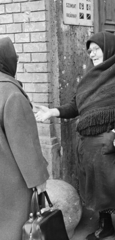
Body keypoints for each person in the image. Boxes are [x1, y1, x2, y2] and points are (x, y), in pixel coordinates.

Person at [35, 31, 115, 240]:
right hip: (90, 149)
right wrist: (53, 112)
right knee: (97, 187)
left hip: (114, 145)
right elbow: (76, 105)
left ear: (108, 49)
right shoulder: (90, 78)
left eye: (96, 49)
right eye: (90, 51)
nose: (92, 54)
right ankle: (105, 225)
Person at [0, 37, 49, 240]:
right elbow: (25, 144)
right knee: (18, 227)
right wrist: (39, 180)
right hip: (13, 179)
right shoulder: (11, 94)